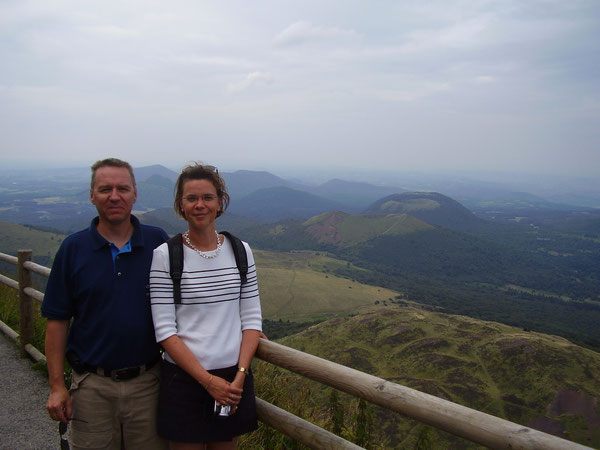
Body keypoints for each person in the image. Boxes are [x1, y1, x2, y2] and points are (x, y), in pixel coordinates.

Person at [41, 158, 169, 449]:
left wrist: (240, 326)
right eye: (105, 189)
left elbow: (185, 297)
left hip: (148, 384)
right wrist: (57, 386)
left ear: (135, 194)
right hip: (91, 387)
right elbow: (57, 321)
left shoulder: (157, 242)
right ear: (91, 195)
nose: (114, 196)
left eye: (122, 188)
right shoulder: (73, 249)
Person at [149, 163, 262, 449]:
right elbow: (164, 330)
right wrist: (207, 381)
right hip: (184, 381)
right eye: (191, 198)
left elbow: (251, 320)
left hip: (232, 379)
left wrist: (239, 376)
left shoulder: (241, 251)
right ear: (181, 205)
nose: (200, 205)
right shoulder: (166, 256)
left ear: (220, 202)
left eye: (208, 198)